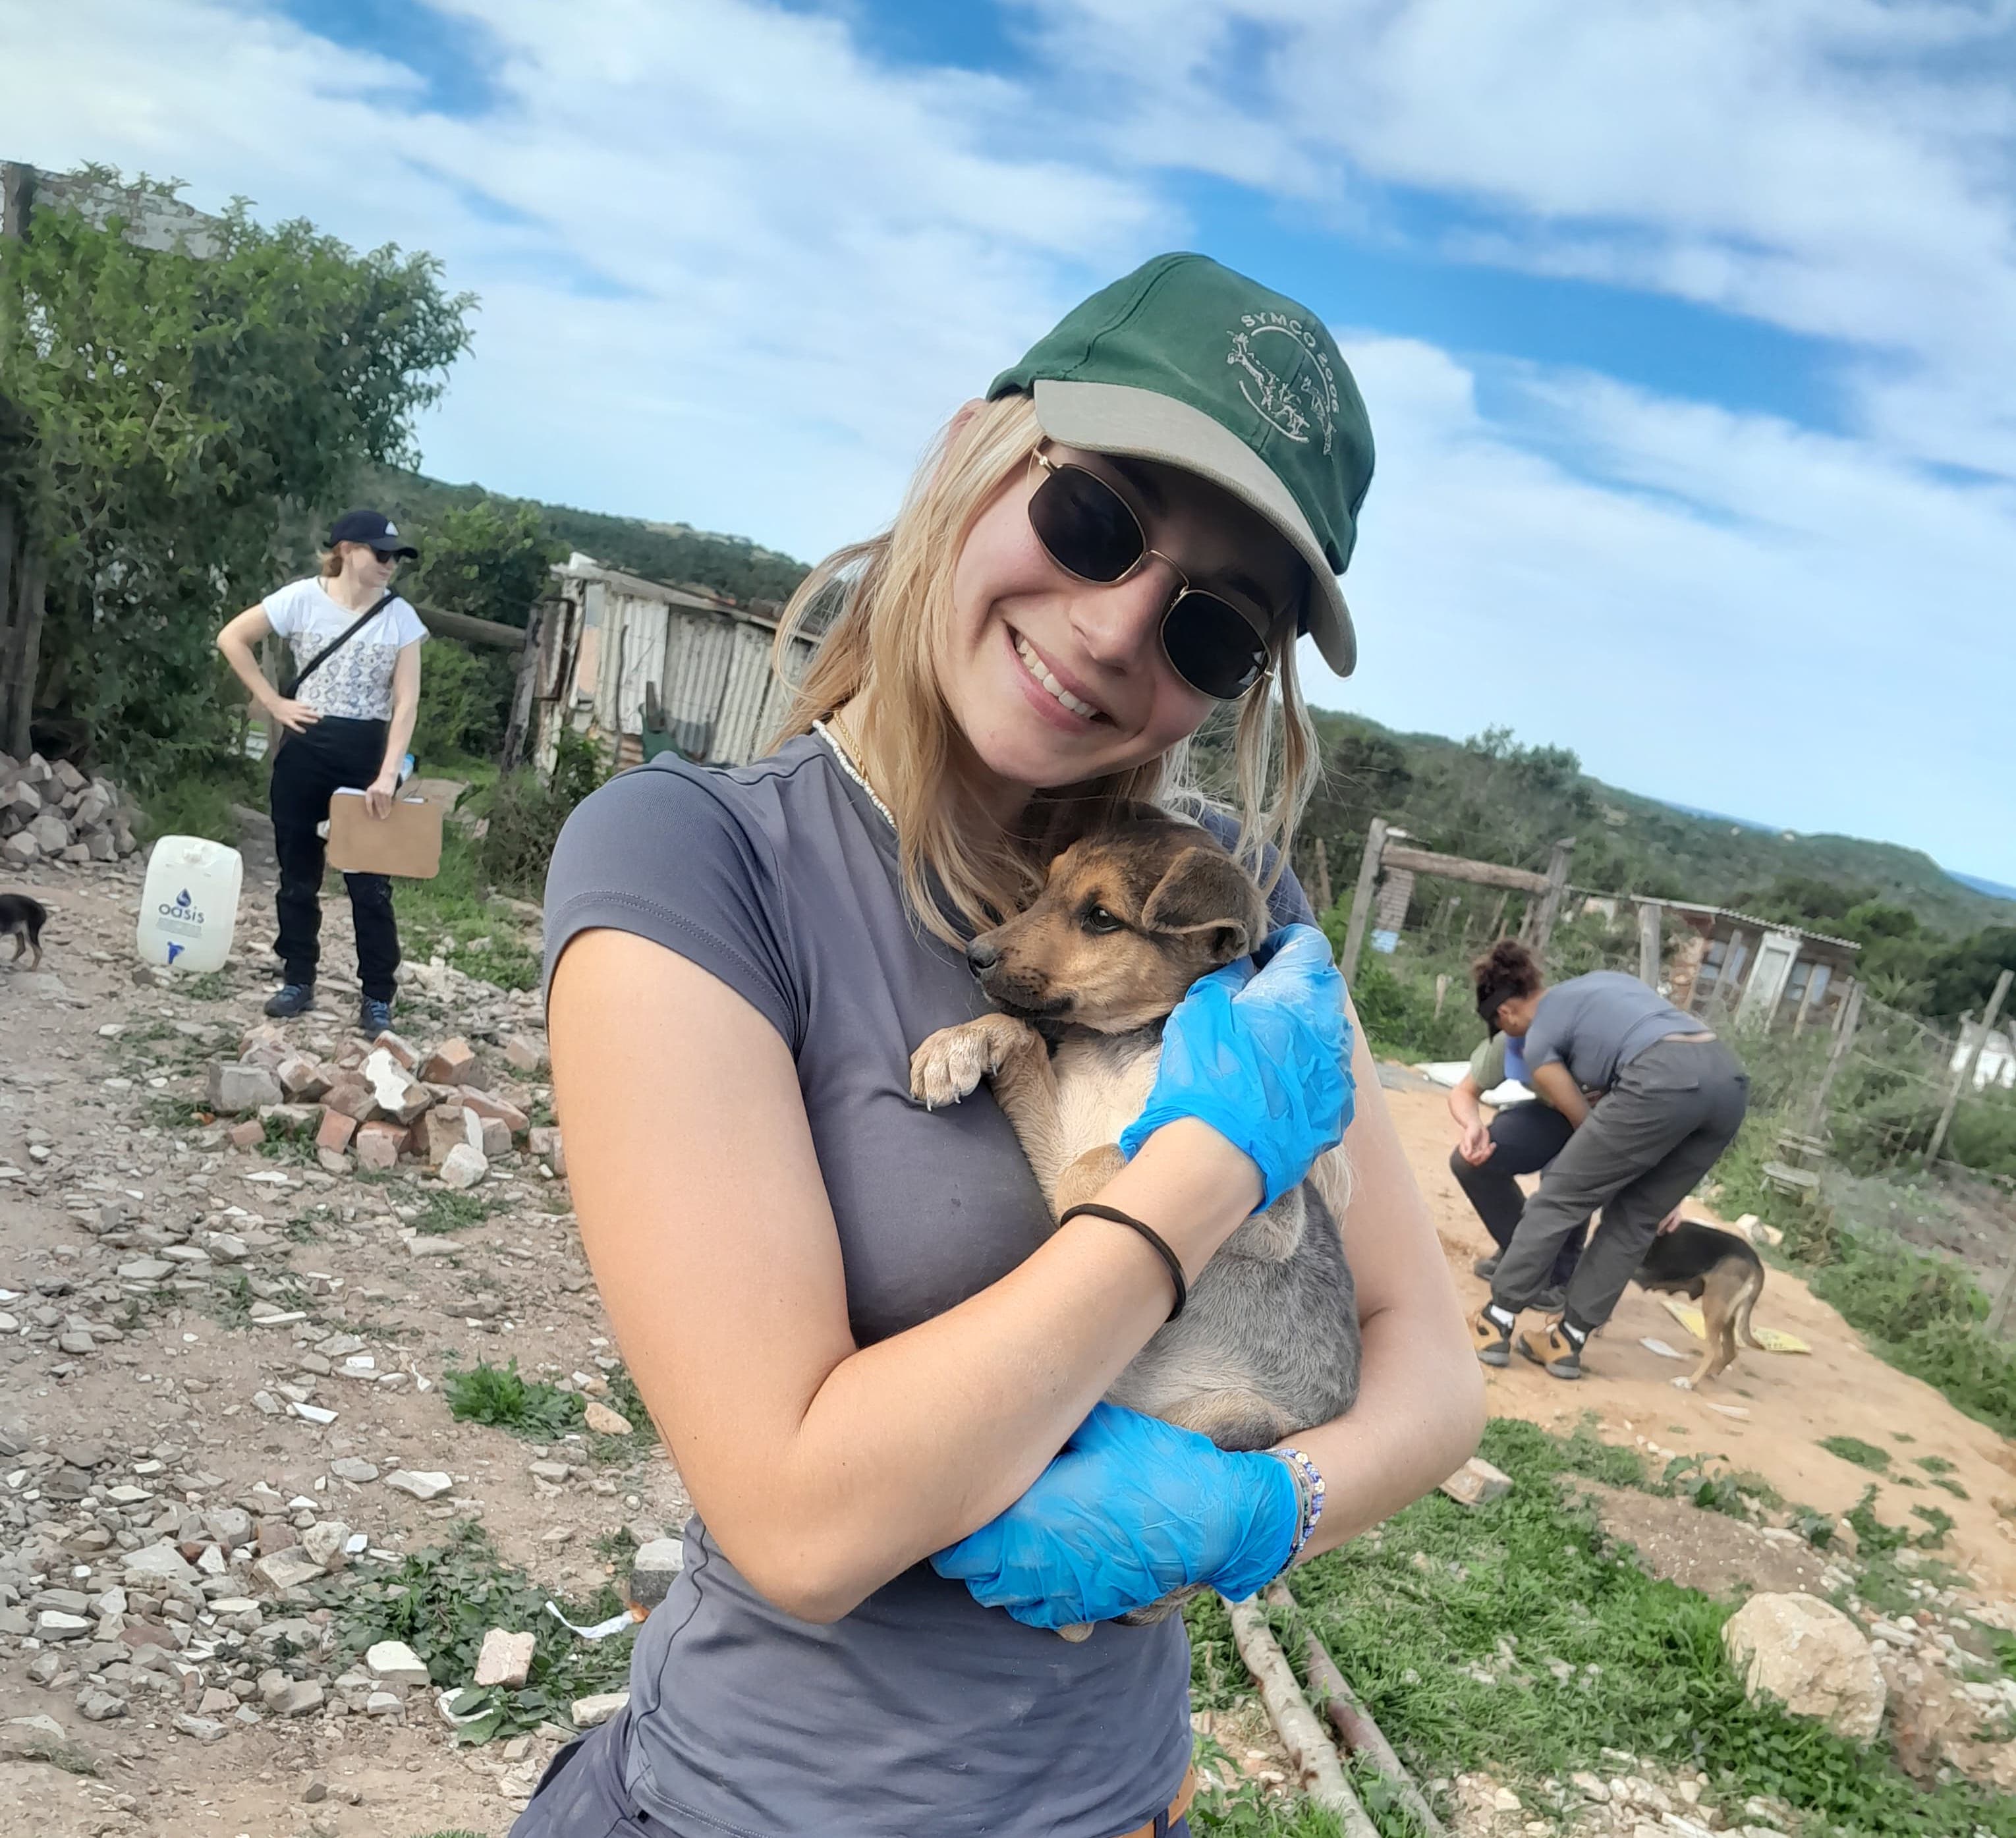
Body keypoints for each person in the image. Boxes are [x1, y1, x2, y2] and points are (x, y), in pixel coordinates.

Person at [527, 253, 1483, 1838]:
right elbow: (803, 1520)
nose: (1117, 629)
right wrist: (1202, 1176)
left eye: (1212, 629)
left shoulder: (1228, 909)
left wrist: (1258, 1509)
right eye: (1095, 518)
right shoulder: (692, 864)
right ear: (976, 453)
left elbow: (1431, 1368)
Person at [1469, 955, 1749, 1381]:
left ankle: (1497, 1319)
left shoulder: (1539, 1035)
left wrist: (1611, 1163)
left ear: (1505, 1013)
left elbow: (1586, 1126)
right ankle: (1568, 1341)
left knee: (1561, 1194)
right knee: (1639, 1217)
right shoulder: (1603, 983)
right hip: (1728, 1081)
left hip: (1661, 1075)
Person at [216, 510, 426, 1036]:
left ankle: (378, 994)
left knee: (368, 882)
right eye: (381, 554)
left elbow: (406, 703)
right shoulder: (301, 599)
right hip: (305, 746)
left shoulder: (401, 618)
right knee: (298, 874)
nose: (389, 566)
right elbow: (231, 638)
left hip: (365, 752)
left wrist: (386, 774)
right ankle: (298, 978)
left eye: (396, 557)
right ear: (348, 550)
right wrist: (272, 701)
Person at [1447, 941, 1584, 1312]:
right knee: (1472, 1161)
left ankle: (1559, 1277)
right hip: (1555, 1115)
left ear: (1506, 1011)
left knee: (1567, 1177)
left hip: (1603, 1122)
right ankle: (1520, 1253)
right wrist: (1472, 1125)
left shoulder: (1578, 1025)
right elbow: (1464, 1092)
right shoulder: (1512, 1035)